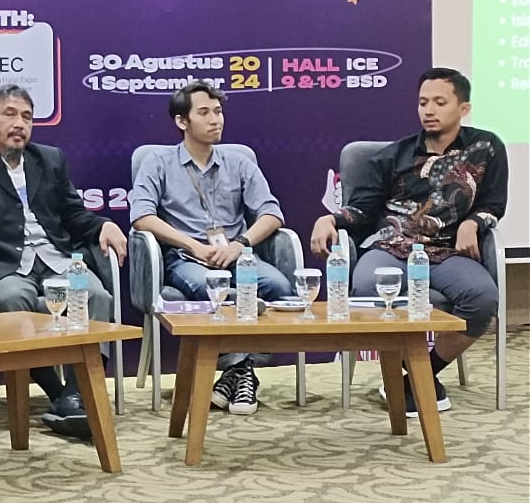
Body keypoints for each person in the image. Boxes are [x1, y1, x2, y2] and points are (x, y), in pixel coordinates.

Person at [310, 67, 507, 417]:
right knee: (367, 286)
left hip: (448, 251)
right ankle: (409, 373)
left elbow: (494, 203)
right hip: (392, 247)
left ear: (463, 108)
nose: (429, 110)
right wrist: (330, 219)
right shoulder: (393, 156)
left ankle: (419, 374)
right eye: (423, 102)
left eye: (439, 102)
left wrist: (473, 223)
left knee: (482, 297)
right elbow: (363, 210)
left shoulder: (486, 148)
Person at [0, 84, 127, 438]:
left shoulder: (49, 159)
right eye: (10, 114)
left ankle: (76, 394)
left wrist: (104, 224)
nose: (19, 124)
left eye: (27, 117)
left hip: (56, 259)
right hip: (5, 264)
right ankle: (60, 396)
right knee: (12, 298)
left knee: (96, 296)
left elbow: (73, 214)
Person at [128, 81, 292, 415]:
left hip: (236, 255)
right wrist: (193, 245)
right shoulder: (158, 162)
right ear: (182, 121)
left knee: (278, 286)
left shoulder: (239, 162)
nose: (215, 119)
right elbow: (141, 217)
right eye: (204, 112)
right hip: (186, 259)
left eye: (218, 111)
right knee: (215, 290)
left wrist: (239, 244)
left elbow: (272, 213)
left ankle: (235, 374)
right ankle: (242, 373)